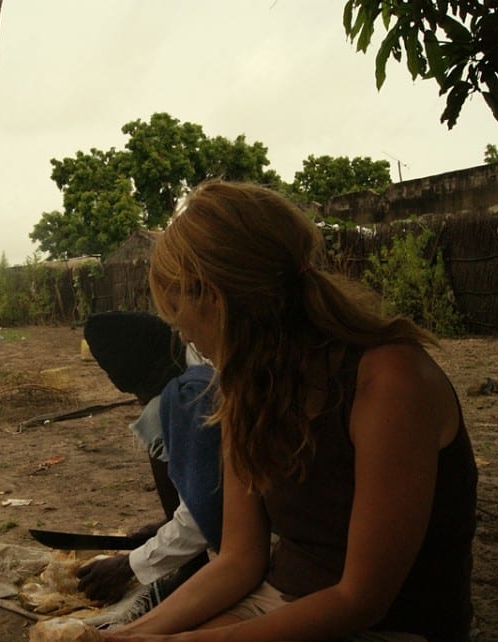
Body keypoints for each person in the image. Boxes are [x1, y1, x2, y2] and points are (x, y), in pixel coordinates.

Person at [102, 180, 478, 642]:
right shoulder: (245, 385)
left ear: (216, 300)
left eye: (182, 318)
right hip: (283, 599)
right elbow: (240, 561)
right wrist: (127, 634)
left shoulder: (388, 383)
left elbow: (360, 600)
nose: (186, 338)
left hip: (389, 626)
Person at [76, 312, 223, 611]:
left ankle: (191, 571)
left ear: (155, 372)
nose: (143, 403)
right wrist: (167, 524)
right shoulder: (193, 357)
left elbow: (206, 514)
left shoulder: (192, 394)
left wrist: (130, 565)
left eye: (141, 394)